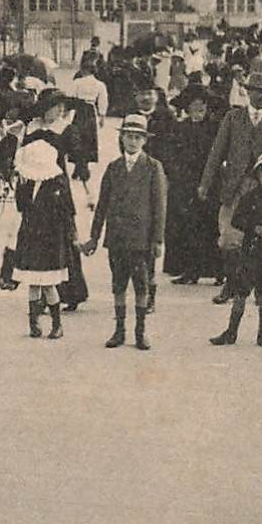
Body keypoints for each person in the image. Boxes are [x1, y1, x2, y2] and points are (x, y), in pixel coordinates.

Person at [199, 72, 262, 305]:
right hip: (234, 188)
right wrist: (205, 183)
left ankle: (260, 290)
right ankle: (231, 286)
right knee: (230, 238)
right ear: (248, 92)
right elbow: (216, 152)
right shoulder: (232, 118)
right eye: (259, 91)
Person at [84, 114, 168, 350]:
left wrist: (158, 239)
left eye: (137, 138)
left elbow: (160, 207)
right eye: (128, 137)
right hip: (117, 238)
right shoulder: (113, 168)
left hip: (141, 240)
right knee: (118, 284)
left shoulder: (153, 167)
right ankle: (119, 330)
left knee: (141, 285)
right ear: (121, 138)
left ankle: (140, 332)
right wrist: (94, 236)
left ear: (144, 141)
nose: (132, 142)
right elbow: (102, 205)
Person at [210, 151, 262, 348]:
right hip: (250, 251)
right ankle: (231, 332)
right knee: (241, 290)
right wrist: (255, 228)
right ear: (257, 175)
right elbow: (237, 220)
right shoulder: (249, 197)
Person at [13, 137, 79, 339]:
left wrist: (71, 235)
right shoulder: (28, 182)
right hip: (31, 237)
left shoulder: (58, 182)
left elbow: (68, 211)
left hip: (51, 240)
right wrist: (21, 186)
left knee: (49, 284)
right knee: (33, 283)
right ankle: (33, 323)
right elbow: (21, 207)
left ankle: (57, 324)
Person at [166, 85, 220, 284]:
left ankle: (218, 272)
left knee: (211, 225)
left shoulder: (215, 127)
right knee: (188, 226)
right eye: (193, 106)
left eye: (201, 106)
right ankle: (191, 270)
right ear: (187, 108)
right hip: (186, 183)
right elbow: (172, 155)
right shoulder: (180, 127)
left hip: (211, 183)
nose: (197, 110)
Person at [66, 62, 107, 203]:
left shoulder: (77, 82)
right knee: (88, 139)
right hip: (90, 112)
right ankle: (83, 166)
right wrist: (102, 116)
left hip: (79, 110)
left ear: (84, 70)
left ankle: (79, 165)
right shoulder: (100, 85)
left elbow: (70, 98)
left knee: (77, 137)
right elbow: (102, 101)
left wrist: (66, 112)